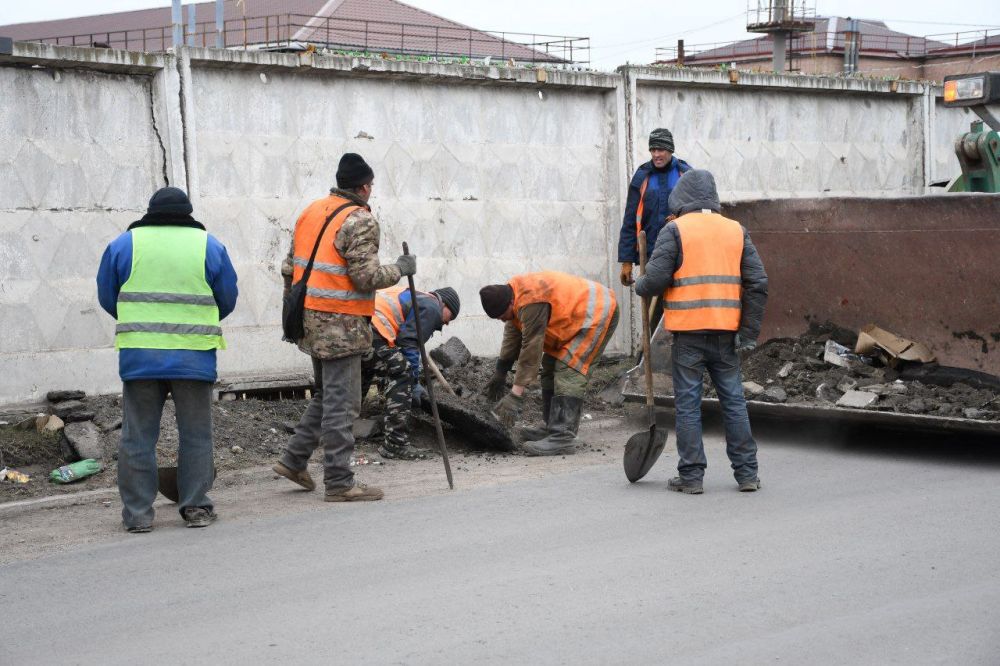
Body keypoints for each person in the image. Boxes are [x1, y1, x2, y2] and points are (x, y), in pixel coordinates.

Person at [273, 153, 415, 502]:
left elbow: (289, 269)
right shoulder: (359, 220)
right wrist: (400, 268)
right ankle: (339, 480)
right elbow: (366, 277)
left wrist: (292, 317)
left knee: (326, 395)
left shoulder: (311, 212)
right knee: (345, 404)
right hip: (341, 324)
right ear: (365, 187)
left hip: (310, 320)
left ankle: (294, 460)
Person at [97, 186, 238, 532]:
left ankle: (138, 515)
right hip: (193, 357)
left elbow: (106, 294)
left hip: (140, 356)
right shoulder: (209, 246)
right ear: (188, 213)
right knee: (196, 435)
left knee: (137, 436)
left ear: (150, 211)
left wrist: (139, 321)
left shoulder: (124, 245)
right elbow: (228, 297)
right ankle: (195, 507)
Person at [635, 169, 768, 494]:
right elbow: (758, 282)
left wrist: (641, 284)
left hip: (689, 337)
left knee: (689, 405)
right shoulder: (736, 230)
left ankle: (692, 477)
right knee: (734, 402)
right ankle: (747, 474)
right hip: (726, 335)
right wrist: (748, 331)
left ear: (680, 200)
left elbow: (653, 282)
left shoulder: (675, 230)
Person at [479, 271, 619, 456]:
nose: (502, 320)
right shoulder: (512, 295)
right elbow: (512, 337)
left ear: (510, 303)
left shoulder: (531, 301)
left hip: (597, 314)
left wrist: (515, 395)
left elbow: (531, 348)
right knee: (550, 368)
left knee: (569, 370)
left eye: (502, 316)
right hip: (574, 321)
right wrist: (500, 372)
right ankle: (551, 427)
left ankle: (563, 436)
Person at [363, 284, 460, 460]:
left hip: (356, 330)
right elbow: (408, 342)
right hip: (374, 333)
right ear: (444, 305)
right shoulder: (432, 308)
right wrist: (413, 382)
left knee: (366, 370)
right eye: (450, 317)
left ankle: (338, 433)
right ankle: (395, 443)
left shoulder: (413, 295)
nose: (446, 323)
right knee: (403, 372)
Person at [618, 128, 692, 330]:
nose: (656, 154)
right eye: (653, 150)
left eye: (661, 149)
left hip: (683, 257)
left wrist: (681, 216)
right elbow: (630, 221)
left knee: (681, 308)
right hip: (651, 257)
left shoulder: (686, 174)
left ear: (670, 150)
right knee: (652, 313)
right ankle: (648, 356)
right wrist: (626, 261)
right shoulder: (642, 177)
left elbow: (701, 210)